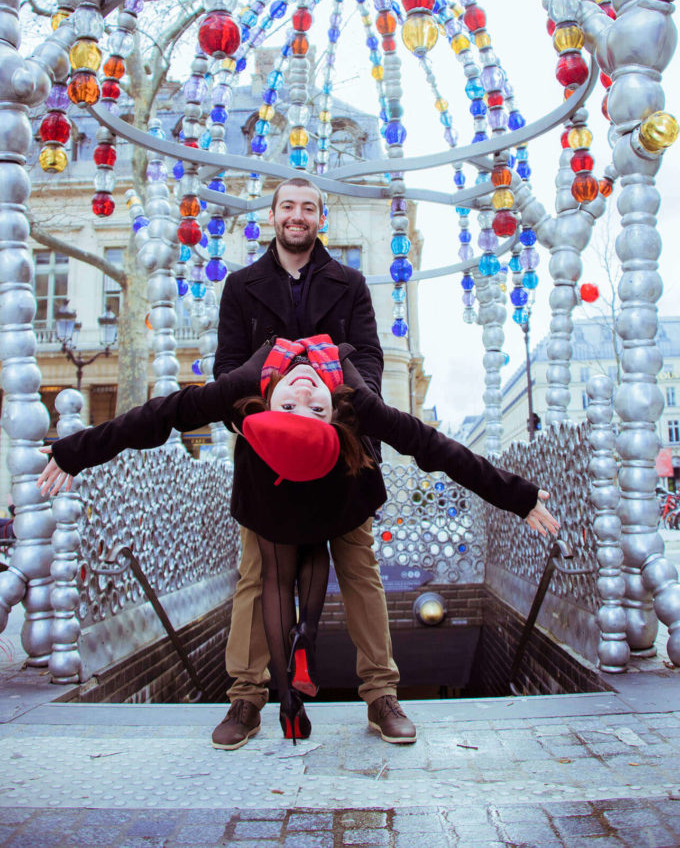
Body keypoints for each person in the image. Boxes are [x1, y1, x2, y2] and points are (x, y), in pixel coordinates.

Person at [37, 336, 559, 745]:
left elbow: (436, 449)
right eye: (308, 408)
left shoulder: (260, 389)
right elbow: (161, 417)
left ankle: (371, 690)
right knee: (267, 576)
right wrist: (522, 497)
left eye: (306, 407)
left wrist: (74, 449)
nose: (307, 395)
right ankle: (258, 692)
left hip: (340, 491)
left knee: (350, 572)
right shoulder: (336, 393)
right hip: (273, 489)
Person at [212, 175, 418, 750]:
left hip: (345, 452)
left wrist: (349, 410)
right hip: (267, 458)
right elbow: (228, 366)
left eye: (307, 207)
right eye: (287, 206)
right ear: (273, 215)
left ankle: (381, 694)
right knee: (256, 576)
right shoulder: (241, 286)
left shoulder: (349, 284)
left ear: (318, 218)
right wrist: (255, 421)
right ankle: (246, 700)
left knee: (358, 569)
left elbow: (370, 356)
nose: (296, 215)